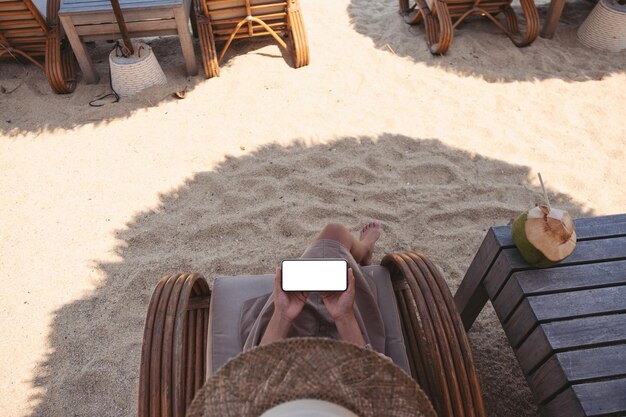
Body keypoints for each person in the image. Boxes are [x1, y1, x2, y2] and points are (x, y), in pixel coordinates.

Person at [240, 221, 387, 354]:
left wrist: (282, 316)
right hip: (346, 345)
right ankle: (365, 249)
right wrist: (344, 317)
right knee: (334, 233)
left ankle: (363, 249)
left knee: (333, 234)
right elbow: (376, 377)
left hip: (285, 344)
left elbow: (254, 376)